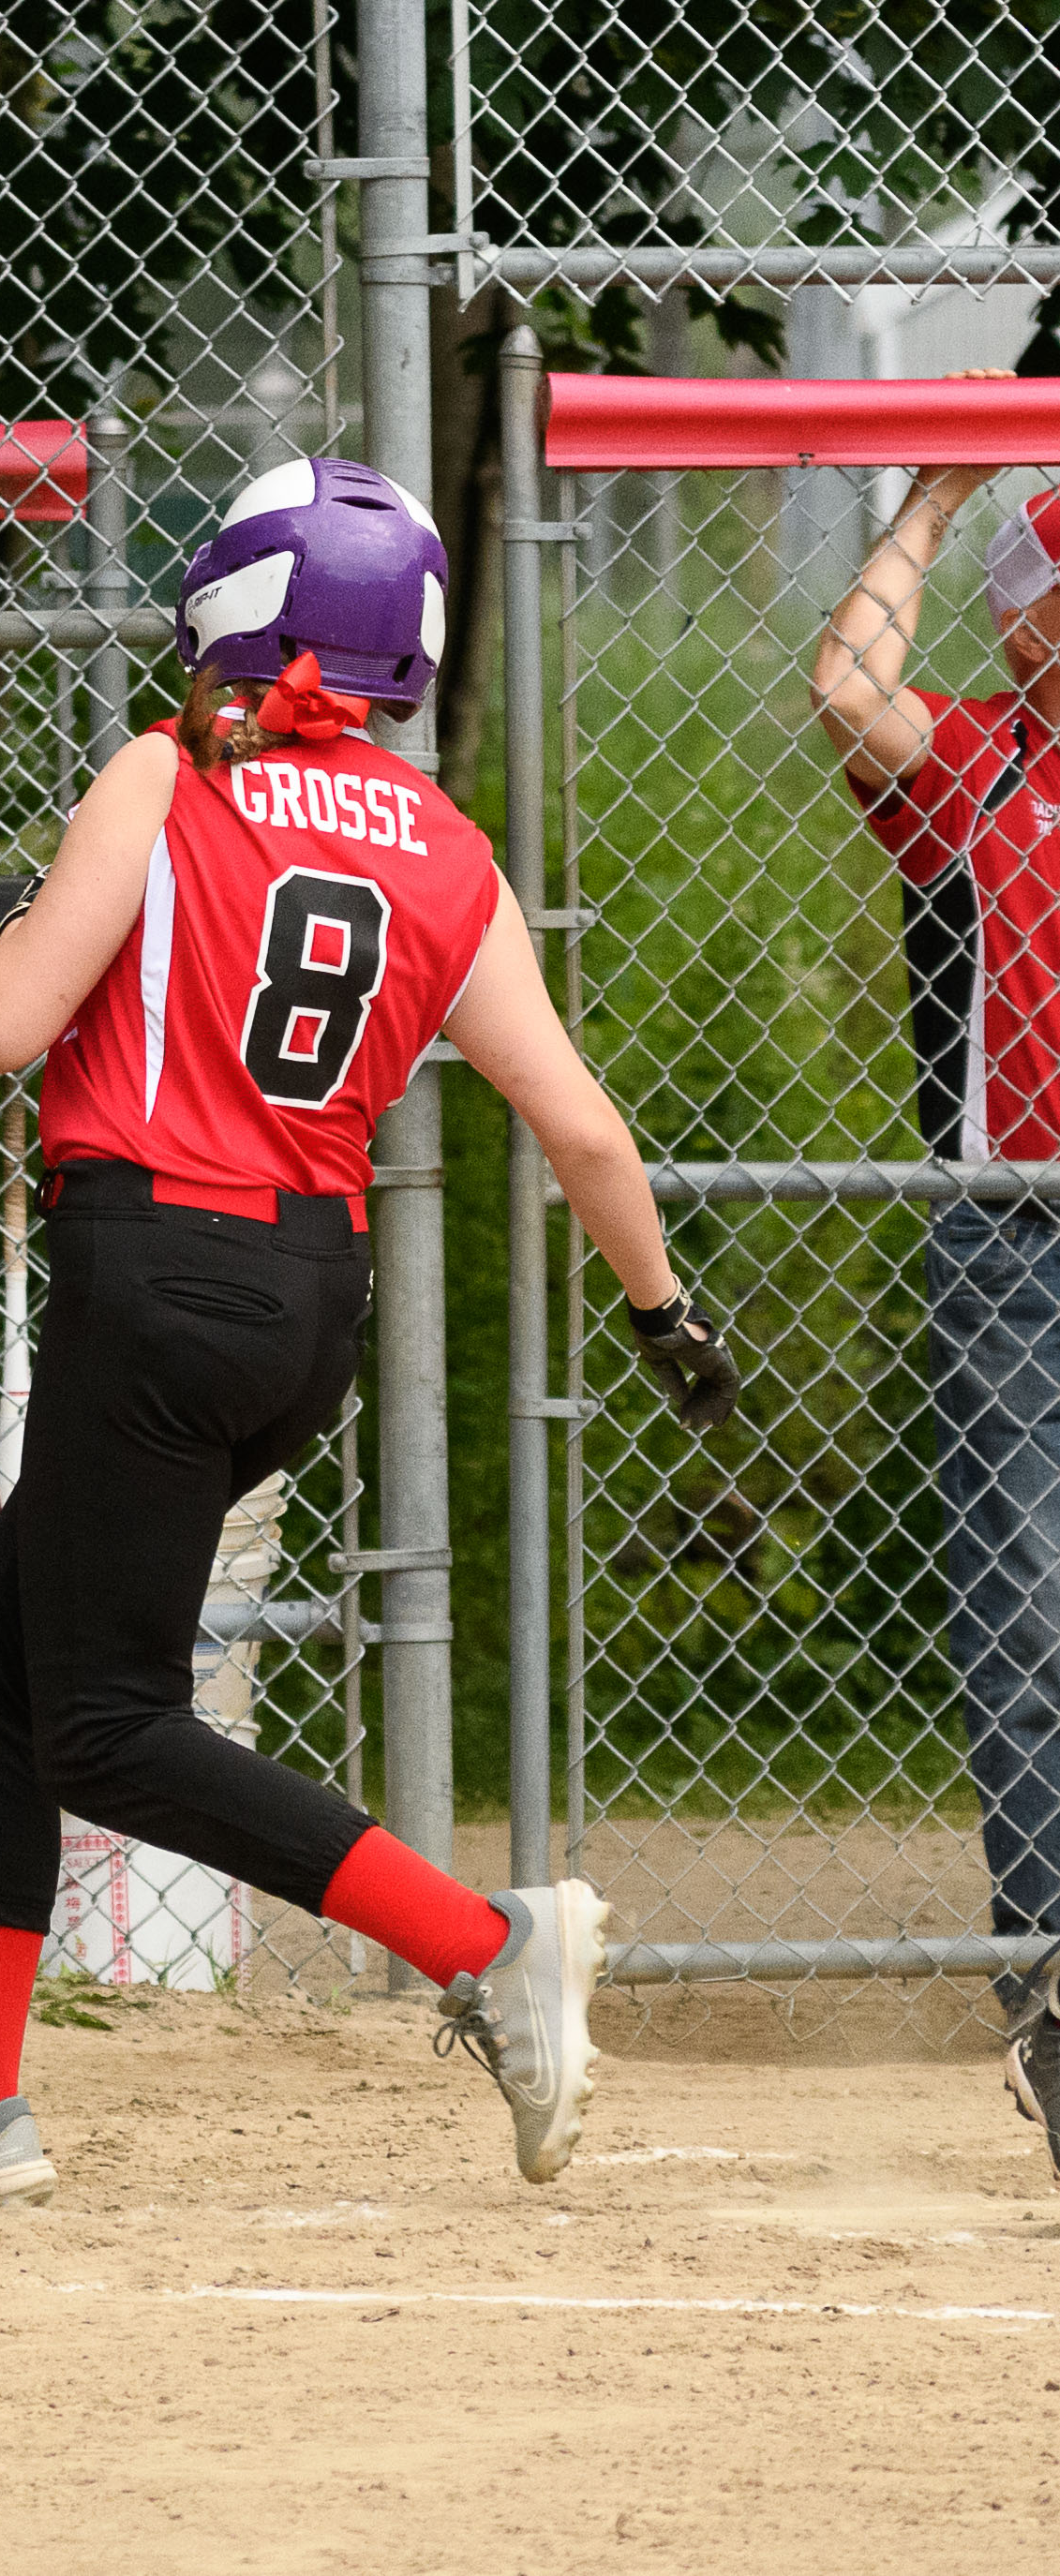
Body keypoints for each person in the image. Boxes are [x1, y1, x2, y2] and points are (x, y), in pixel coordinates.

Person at [0, 454, 738, 2212]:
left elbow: (2, 1025)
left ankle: (480, 1936)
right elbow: (582, 1128)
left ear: (237, 620)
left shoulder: (166, 768)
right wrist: (664, 1314)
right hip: (306, 1302)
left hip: (154, 1276)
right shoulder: (449, 852)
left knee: (104, 1724)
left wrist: (5, 936)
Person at [811, 385, 1060, 2179]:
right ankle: (1055, 1982)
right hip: (1021, 1241)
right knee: (1030, 1617)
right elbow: (845, 694)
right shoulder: (989, 760)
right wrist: (927, 502)